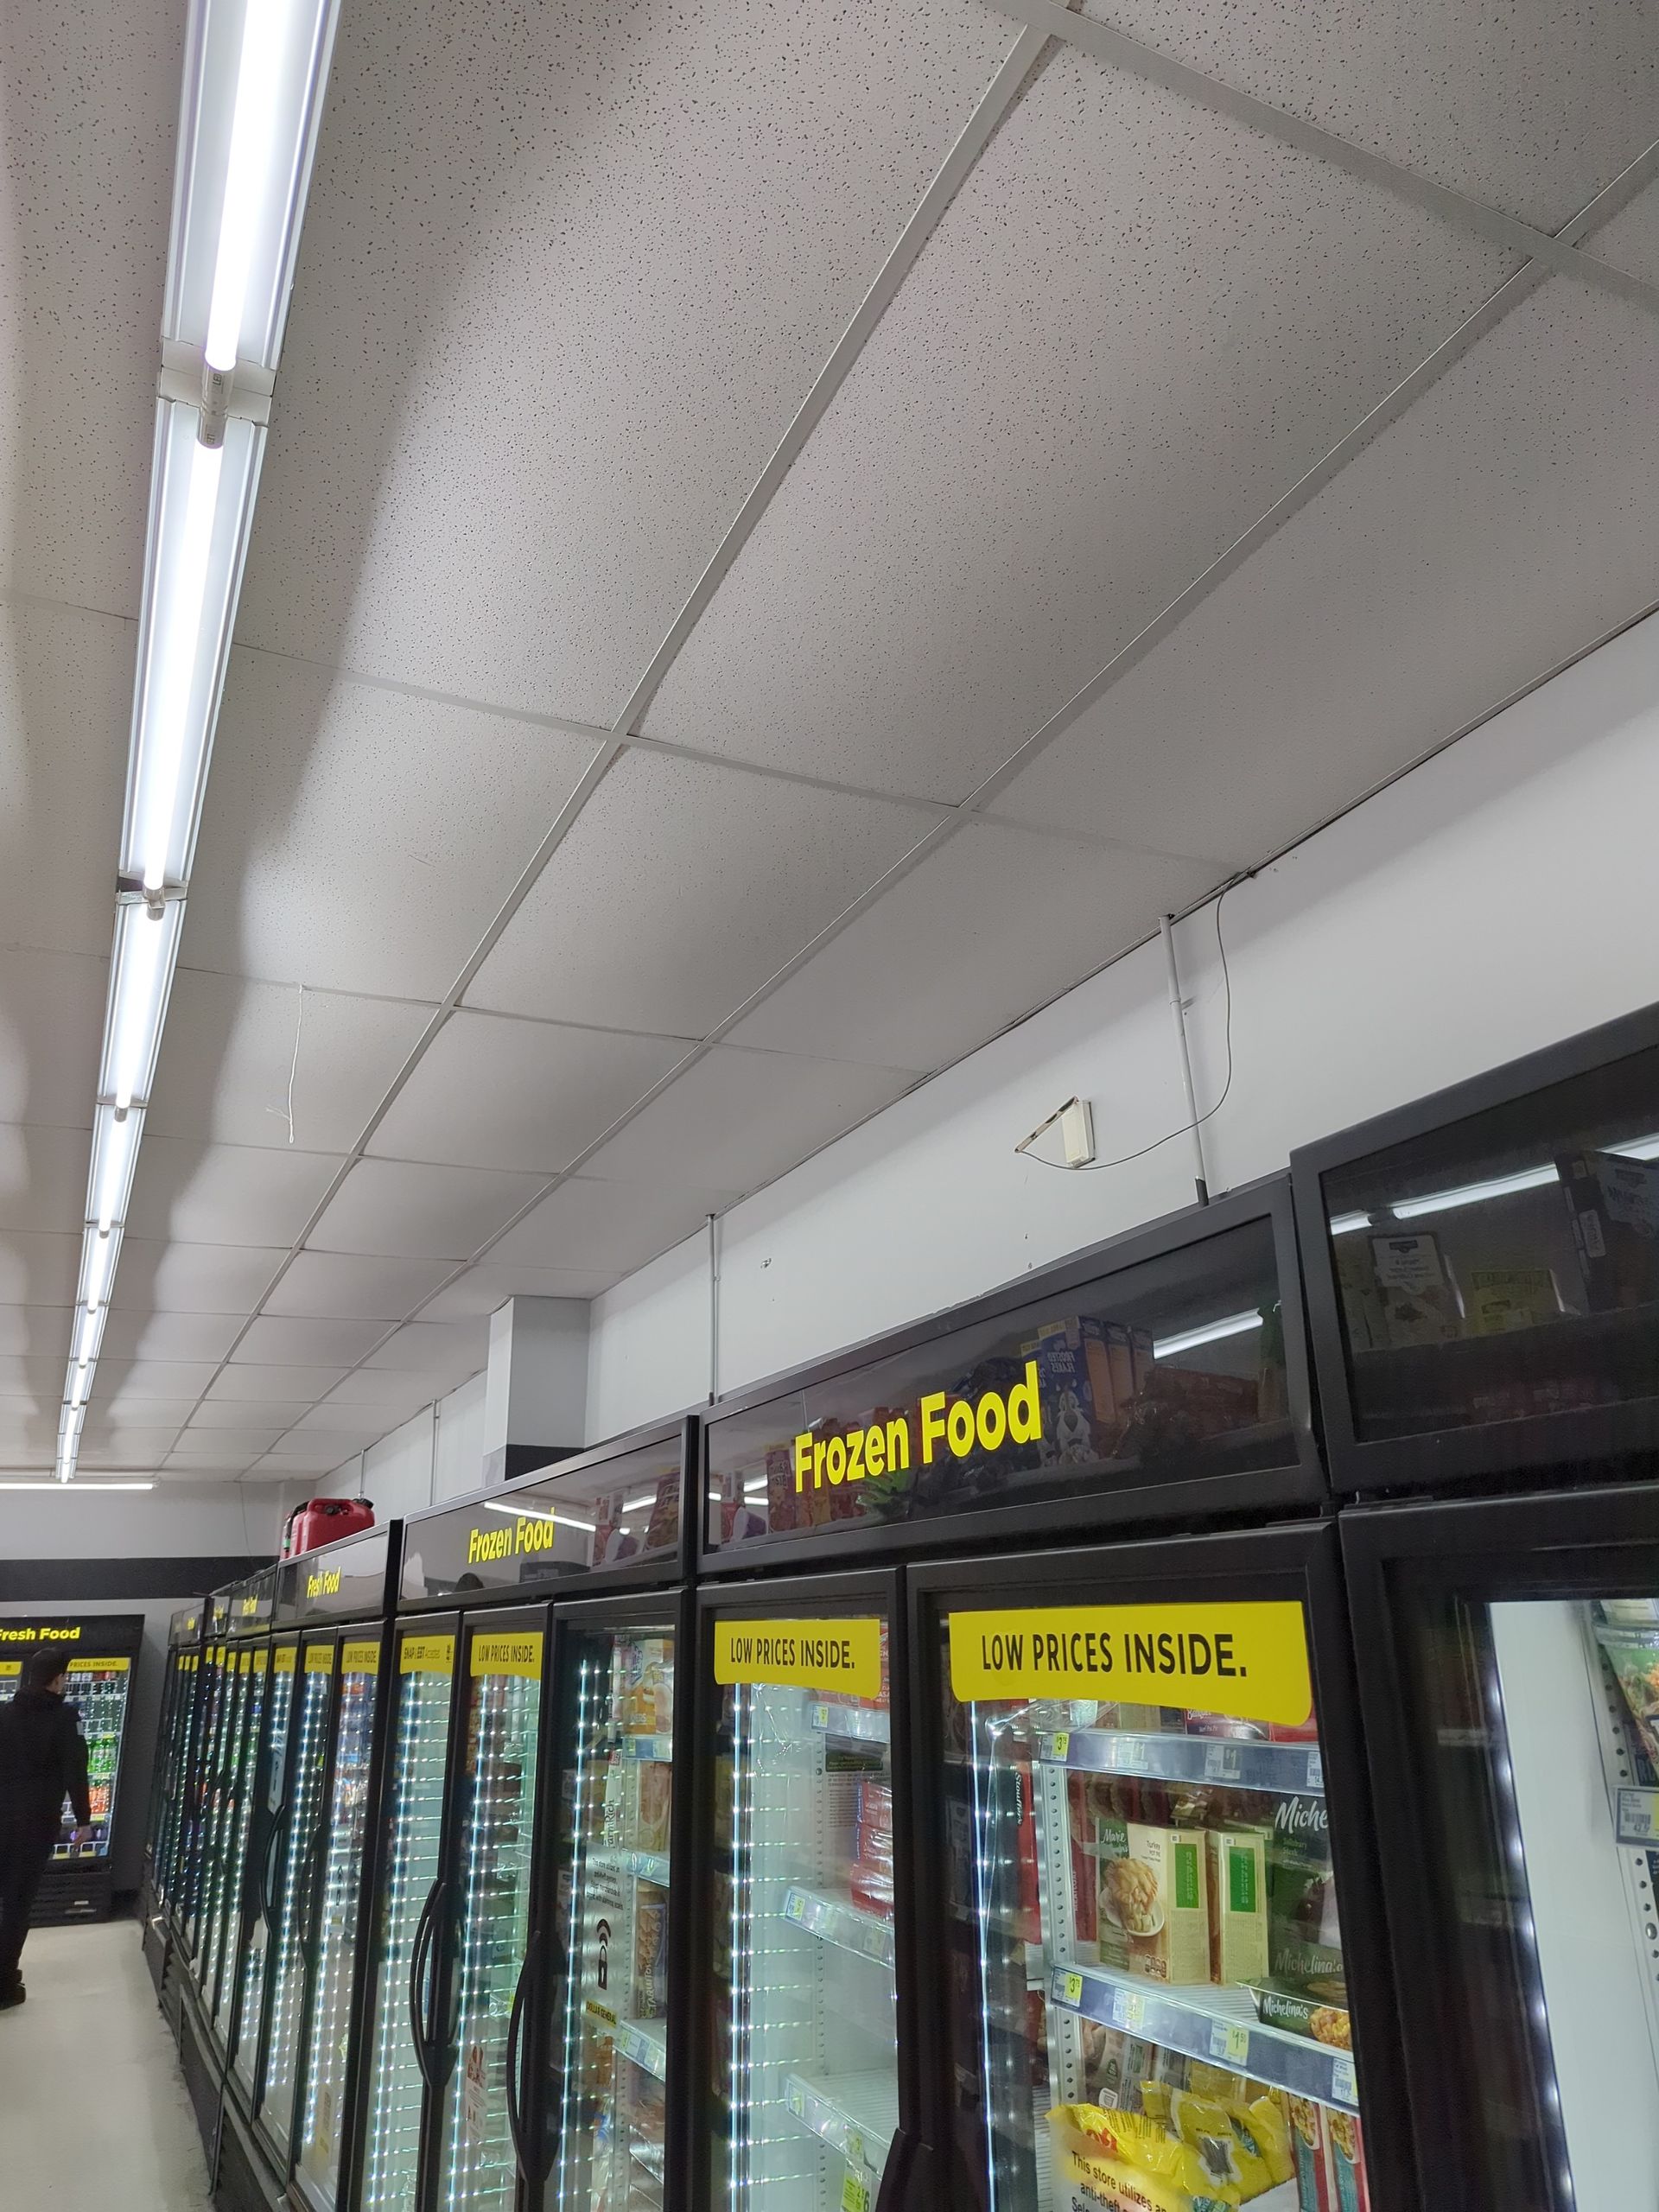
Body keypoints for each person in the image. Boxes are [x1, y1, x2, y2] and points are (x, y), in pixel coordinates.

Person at [0, 1647, 92, 2007]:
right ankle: (5, 1983)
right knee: (18, 1904)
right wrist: (84, 1821)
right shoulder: (66, 1717)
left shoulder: (5, 1712)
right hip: (36, 1824)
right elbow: (76, 1772)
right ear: (57, 1679)